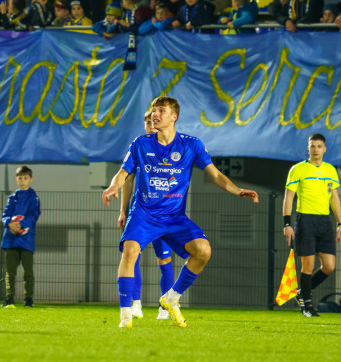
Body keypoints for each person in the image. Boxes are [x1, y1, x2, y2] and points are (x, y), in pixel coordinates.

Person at [102, 95, 259, 328]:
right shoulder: (140, 144)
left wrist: (237, 191)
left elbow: (214, 174)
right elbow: (123, 172)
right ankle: (126, 316)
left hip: (174, 217)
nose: (155, 115)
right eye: (154, 111)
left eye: (161, 111)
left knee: (203, 251)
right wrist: (114, 184)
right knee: (130, 251)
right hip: (144, 213)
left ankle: (171, 298)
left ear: (174, 117)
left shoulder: (191, 144)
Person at [118, 110, 176, 320]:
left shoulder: (172, 148)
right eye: (149, 123)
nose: (152, 126)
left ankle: (165, 306)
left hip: (164, 214)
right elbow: (127, 179)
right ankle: (136, 304)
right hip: (141, 213)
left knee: (164, 260)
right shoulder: (139, 147)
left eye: (155, 122)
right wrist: (123, 210)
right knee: (131, 256)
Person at [282, 133, 341, 318]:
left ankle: (302, 293)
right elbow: (289, 197)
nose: (316, 149)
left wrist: (340, 223)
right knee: (307, 265)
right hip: (305, 220)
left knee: (329, 266)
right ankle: (307, 306)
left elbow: (334, 197)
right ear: (307, 149)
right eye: (312, 146)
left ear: (324, 149)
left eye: (319, 146)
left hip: (324, 222)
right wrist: (287, 223)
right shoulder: (298, 170)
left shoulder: (330, 170)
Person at [0, 165, 40, 308]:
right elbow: (5, 216)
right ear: (16, 180)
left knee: (28, 272)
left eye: (25, 178)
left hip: (26, 240)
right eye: (20, 178)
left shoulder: (34, 198)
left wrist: (20, 224)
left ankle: (28, 299)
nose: (22, 181)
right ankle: (9, 299)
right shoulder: (12, 198)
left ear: (31, 179)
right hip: (10, 240)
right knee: (10, 272)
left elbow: (33, 216)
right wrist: (9, 224)